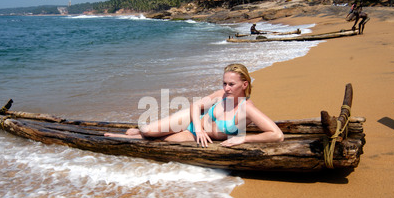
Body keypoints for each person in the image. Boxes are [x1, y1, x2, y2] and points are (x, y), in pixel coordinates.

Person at [104, 64, 284, 147]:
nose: (226, 88)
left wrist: (244, 138)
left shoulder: (247, 108)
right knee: (148, 131)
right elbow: (195, 105)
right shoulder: (221, 95)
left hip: (196, 135)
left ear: (244, 85)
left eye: (231, 84)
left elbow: (277, 135)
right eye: (224, 83)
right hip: (194, 123)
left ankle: (130, 136)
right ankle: (138, 131)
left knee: (163, 142)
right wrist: (198, 128)